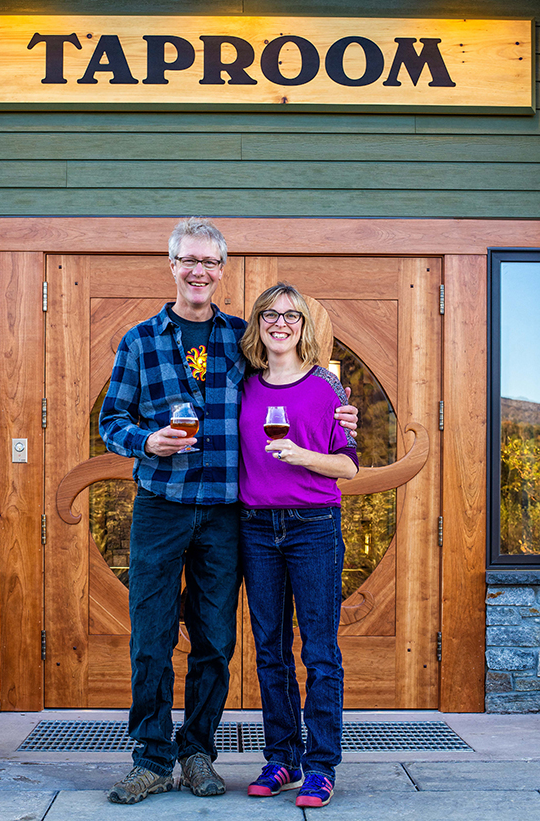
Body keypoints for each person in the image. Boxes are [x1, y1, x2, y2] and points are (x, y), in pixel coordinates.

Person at [99, 218, 358, 805]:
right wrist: (147, 442)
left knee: (216, 640)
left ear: (221, 270)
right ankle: (151, 757)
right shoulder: (140, 340)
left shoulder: (241, 339)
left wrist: (342, 414)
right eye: (188, 260)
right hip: (162, 507)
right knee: (152, 636)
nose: (198, 272)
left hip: (225, 514)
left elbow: (296, 382)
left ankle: (197, 753)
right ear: (172, 265)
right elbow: (111, 421)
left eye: (210, 263)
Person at [238, 283, 358, 809]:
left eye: (291, 315)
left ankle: (321, 766)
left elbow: (348, 466)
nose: (280, 322)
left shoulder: (327, 389)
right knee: (270, 650)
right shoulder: (241, 387)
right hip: (256, 528)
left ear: (304, 326)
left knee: (319, 650)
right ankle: (281, 757)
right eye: (270, 313)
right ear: (258, 324)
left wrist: (302, 455)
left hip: (312, 526)